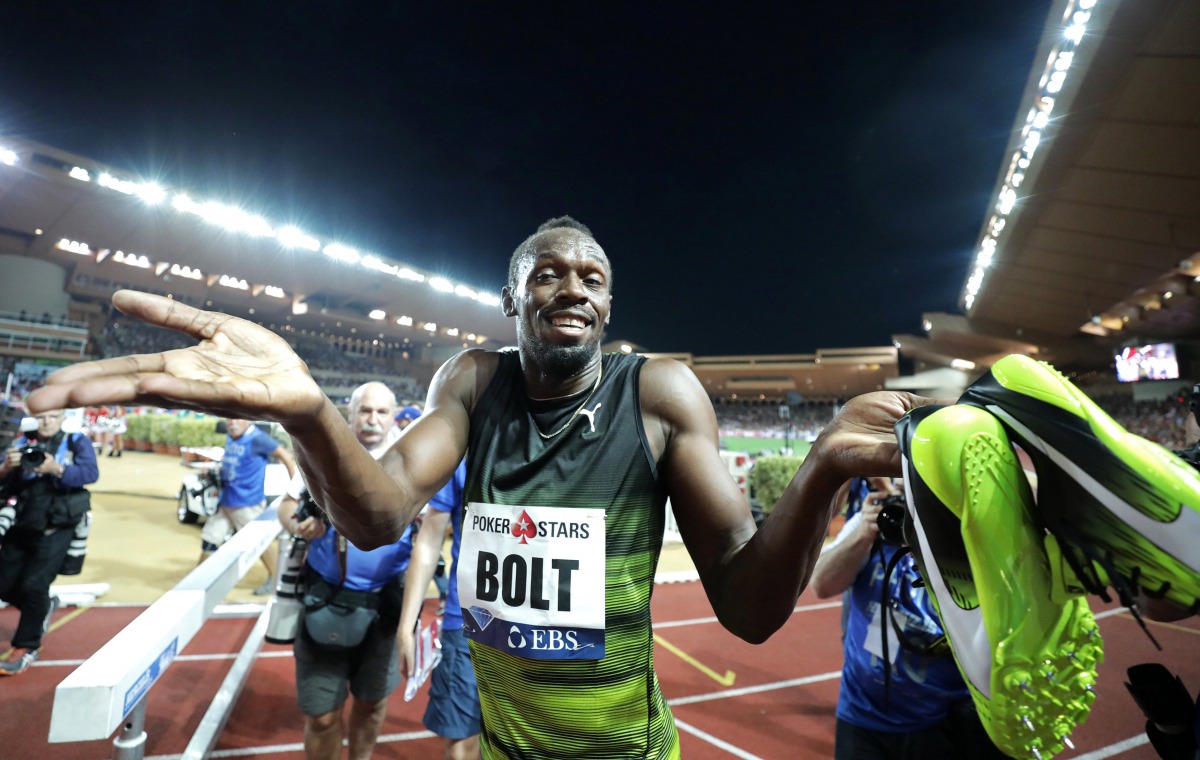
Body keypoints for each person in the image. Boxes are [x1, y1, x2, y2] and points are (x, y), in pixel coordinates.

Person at [27, 216, 931, 756]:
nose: (571, 286)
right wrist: (308, 413)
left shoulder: (658, 393)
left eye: (592, 277)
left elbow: (747, 607)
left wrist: (816, 474)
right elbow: (379, 514)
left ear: (608, 308)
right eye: (547, 272)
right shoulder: (471, 381)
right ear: (511, 299)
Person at [810, 477, 1002, 759]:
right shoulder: (877, 523)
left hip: (939, 719)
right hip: (862, 714)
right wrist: (864, 532)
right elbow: (821, 584)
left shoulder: (967, 534)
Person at [278, 381, 413, 760]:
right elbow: (285, 508)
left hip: (386, 608)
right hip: (324, 600)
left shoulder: (413, 458)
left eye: (381, 412)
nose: (372, 420)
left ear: (393, 416)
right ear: (349, 413)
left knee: (370, 706)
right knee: (321, 716)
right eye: (364, 411)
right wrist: (298, 525)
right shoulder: (321, 452)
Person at [0, 409, 99, 675]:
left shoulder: (76, 441)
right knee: (4, 583)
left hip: (56, 525)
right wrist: (7, 467)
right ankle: (44, 607)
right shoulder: (22, 441)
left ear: (62, 418)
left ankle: (27, 647)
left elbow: (90, 474)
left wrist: (56, 468)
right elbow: (3, 481)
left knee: (34, 585)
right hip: (22, 522)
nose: (46, 422)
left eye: (52, 417)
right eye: (42, 416)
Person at [398, 459, 480, 760]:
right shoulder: (464, 454)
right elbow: (429, 540)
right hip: (469, 622)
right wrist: (406, 627)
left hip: (554, 627)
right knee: (462, 741)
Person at [203, 417, 296, 595]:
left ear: (248, 420)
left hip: (247, 504)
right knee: (210, 539)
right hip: (227, 501)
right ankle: (199, 583)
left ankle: (277, 580)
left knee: (260, 544)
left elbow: (285, 456)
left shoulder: (257, 438)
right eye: (228, 419)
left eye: (237, 418)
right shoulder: (232, 435)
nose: (232, 423)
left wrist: (294, 490)